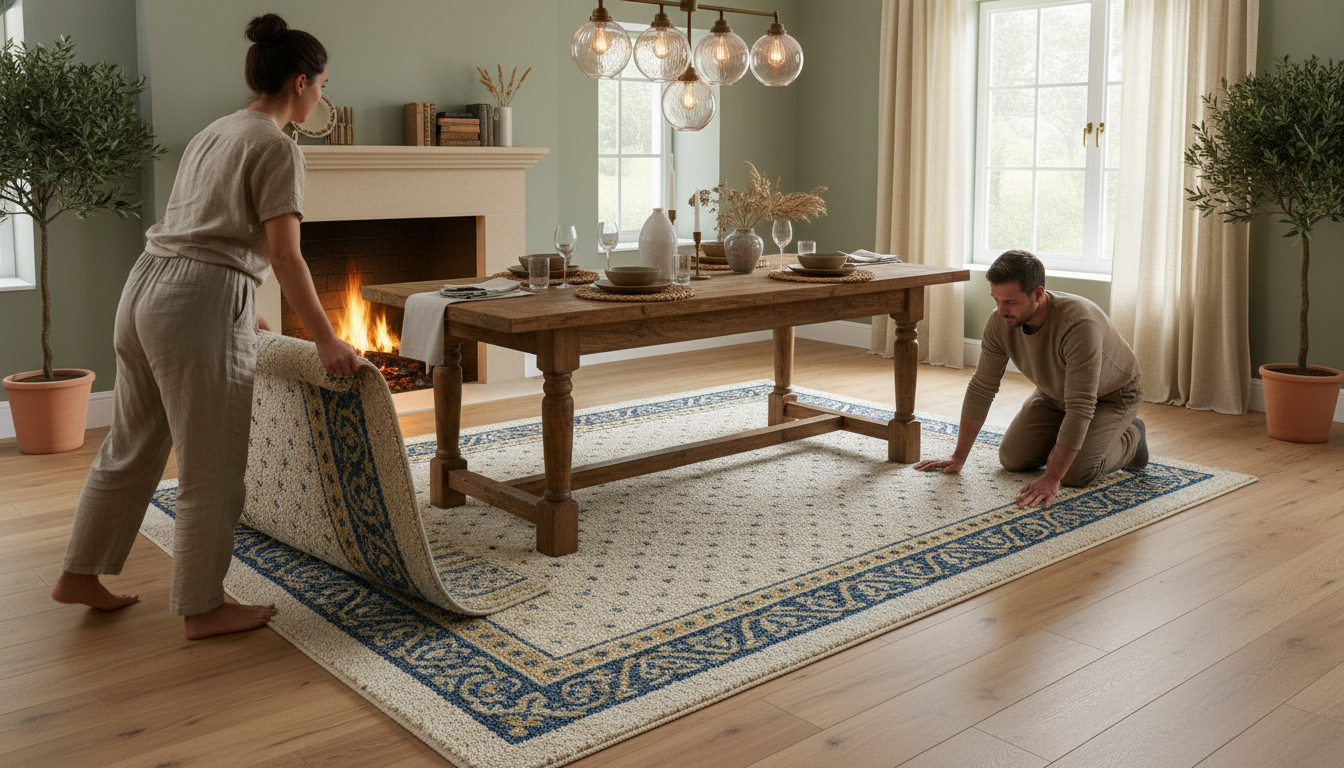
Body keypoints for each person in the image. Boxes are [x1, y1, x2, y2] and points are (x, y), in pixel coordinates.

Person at [50, 14, 359, 639]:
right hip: (198, 300)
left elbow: (212, 226)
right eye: (322, 85)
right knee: (212, 462)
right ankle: (203, 605)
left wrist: (245, 303)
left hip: (147, 287)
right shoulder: (278, 146)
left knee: (130, 444)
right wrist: (325, 338)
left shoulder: (217, 129)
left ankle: (79, 572)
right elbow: (286, 253)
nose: (321, 96)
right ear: (300, 83)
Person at [914, 250, 1148, 508]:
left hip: (1112, 396)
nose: (1001, 311)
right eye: (996, 300)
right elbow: (982, 387)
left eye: (1010, 302)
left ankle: (1132, 438)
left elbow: (1081, 406)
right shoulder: (999, 322)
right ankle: (1075, 440)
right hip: (1054, 393)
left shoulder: (1079, 323)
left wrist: (1051, 477)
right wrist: (958, 456)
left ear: (1037, 294)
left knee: (1073, 473)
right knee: (1012, 459)